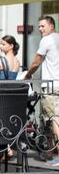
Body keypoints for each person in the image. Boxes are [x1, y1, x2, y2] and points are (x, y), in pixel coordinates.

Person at [25, 15, 59, 165]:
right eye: (39, 26)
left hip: (51, 87)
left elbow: (36, 63)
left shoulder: (46, 40)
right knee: (51, 120)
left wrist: (27, 75)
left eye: (43, 26)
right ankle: (51, 155)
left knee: (53, 120)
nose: (40, 29)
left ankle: (56, 156)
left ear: (52, 26)